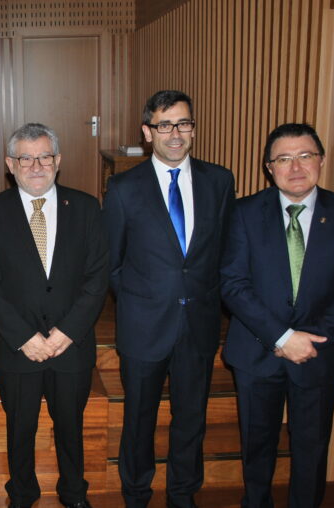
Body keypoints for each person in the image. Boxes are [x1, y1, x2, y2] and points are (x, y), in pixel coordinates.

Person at [221, 123, 334, 508]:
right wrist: (282, 337)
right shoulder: (243, 213)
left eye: (305, 156)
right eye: (284, 159)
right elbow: (233, 284)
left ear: (321, 160)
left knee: (312, 449)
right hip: (257, 352)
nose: (295, 167)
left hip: (317, 353)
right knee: (257, 448)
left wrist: (308, 339)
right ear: (269, 167)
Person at [103, 90, 235, 508]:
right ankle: (136, 493)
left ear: (193, 128)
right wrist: (142, 301)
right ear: (147, 132)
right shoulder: (123, 188)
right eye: (165, 125)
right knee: (139, 419)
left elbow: (225, 251)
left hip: (199, 323)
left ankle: (182, 494)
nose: (175, 134)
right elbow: (111, 263)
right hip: (144, 327)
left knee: (191, 418)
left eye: (183, 123)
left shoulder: (219, 181)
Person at [0, 123, 109, 508]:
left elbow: (97, 277)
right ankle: (22, 494)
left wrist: (67, 332)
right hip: (18, 348)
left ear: (58, 160)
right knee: (19, 430)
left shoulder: (85, 208)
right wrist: (24, 337)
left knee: (71, 428)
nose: (36, 166)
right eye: (26, 158)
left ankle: (74, 493)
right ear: (10, 164)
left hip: (71, 346)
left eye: (44, 157)